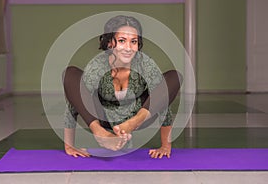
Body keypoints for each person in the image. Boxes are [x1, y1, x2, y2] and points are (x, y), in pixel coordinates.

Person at [63, 15, 182, 159]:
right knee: (70, 74)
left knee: (173, 77)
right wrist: (69, 145)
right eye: (121, 41)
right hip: (104, 118)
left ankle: (134, 121)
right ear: (109, 43)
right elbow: (75, 101)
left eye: (134, 42)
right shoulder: (97, 67)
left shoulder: (145, 64)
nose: (128, 48)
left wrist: (165, 145)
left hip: (138, 118)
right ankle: (100, 133)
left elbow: (163, 101)